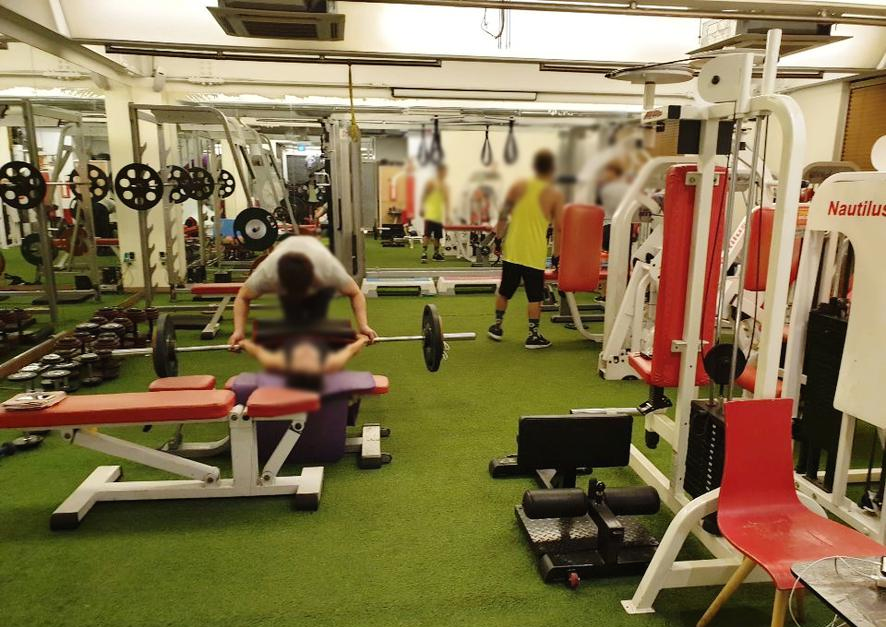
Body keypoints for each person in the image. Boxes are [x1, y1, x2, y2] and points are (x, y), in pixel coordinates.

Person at [228, 235, 377, 348]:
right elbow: (242, 297)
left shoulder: (329, 269)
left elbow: (355, 293)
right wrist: (239, 330)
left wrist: (363, 325)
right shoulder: (266, 273)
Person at [488, 149, 564, 349]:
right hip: (534, 253)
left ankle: (497, 327)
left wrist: (498, 239)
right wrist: (556, 256)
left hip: (513, 250)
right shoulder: (555, 194)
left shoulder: (518, 186)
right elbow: (559, 228)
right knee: (535, 296)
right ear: (552, 169)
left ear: (534, 167)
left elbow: (503, 216)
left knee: (505, 291)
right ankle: (533, 335)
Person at [237, 335, 370, 392]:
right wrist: (362, 340)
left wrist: (244, 343)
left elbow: (257, 351)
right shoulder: (330, 363)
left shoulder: (279, 362)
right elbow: (351, 349)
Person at [420, 164, 449, 263]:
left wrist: (448, 213)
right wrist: (422, 208)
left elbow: (446, 199)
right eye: (443, 171)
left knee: (438, 235)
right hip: (430, 213)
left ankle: (436, 254)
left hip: (438, 214)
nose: (444, 173)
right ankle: (424, 253)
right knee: (427, 234)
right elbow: (424, 195)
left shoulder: (444, 185)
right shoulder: (431, 182)